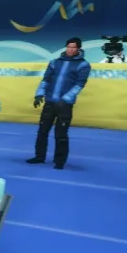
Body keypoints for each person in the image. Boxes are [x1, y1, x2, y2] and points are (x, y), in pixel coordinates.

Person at [28, 37, 91, 169]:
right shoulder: (54, 62)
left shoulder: (83, 65)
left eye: (73, 47)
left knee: (61, 133)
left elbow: (79, 84)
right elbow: (46, 79)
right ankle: (39, 157)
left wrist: (65, 100)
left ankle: (59, 161)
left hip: (65, 106)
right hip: (50, 103)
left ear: (78, 49)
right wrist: (39, 94)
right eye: (69, 47)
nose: (70, 50)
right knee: (42, 131)